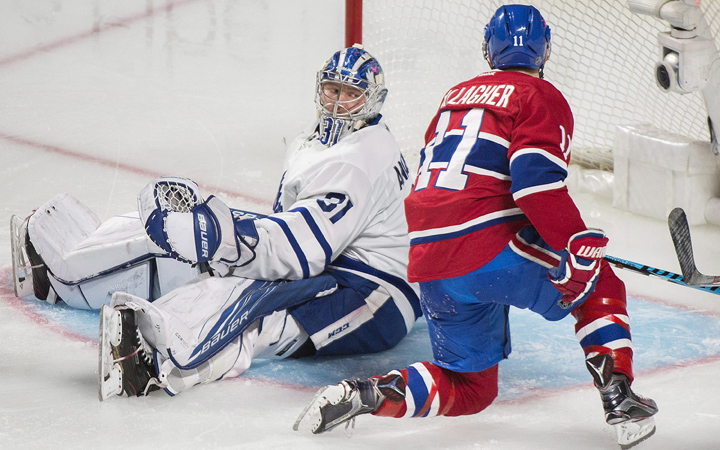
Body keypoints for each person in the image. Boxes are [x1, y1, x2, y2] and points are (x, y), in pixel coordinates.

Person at [293, 6, 658, 449]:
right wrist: (574, 243)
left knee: (470, 388)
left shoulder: (455, 95)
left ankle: (364, 395)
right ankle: (619, 397)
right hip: (487, 246)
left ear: (488, 50)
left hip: (430, 259)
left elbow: (441, 182)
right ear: (545, 49)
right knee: (599, 284)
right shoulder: (540, 96)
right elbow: (535, 186)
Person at [10, 44, 422, 399]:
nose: (335, 101)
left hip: (373, 294)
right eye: (332, 88)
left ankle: (153, 365)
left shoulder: (358, 161)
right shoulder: (317, 141)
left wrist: (225, 239)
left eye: (350, 94)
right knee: (188, 251)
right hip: (332, 261)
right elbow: (294, 235)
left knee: (254, 309)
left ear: (372, 101)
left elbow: (301, 254)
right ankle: (62, 275)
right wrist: (220, 243)